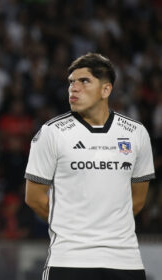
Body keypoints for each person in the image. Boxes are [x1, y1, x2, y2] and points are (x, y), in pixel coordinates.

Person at [24, 53, 155, 280]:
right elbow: (34, 198)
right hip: (69, 259)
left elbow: (138, 199)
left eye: (84, 81)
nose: (74, 88)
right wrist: (76, 229)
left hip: (125, 260)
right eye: (71, 82)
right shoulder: (51, 133)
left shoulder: (136, 133)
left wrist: (106, 226)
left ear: (106, 90)